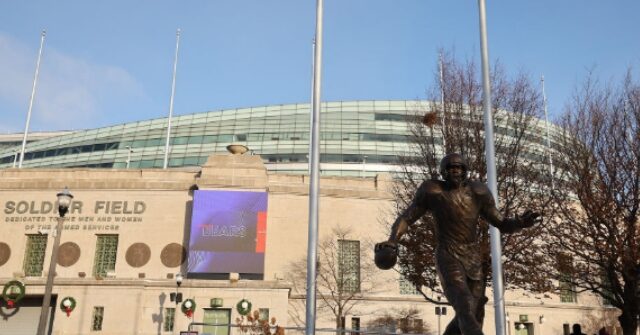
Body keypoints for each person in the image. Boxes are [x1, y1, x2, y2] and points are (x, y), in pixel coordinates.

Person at [375, 153, 540, 335]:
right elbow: (408, 217)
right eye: (451, 168)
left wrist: (519, 224)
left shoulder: (479, 192)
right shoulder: (433, 191)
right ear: (443, 172)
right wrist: (392, 239)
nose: (455, 171)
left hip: (472, 255)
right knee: (463, 302)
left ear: (465, 171)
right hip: (448, 253)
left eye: (459, 167)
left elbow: (500, 222)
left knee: (473, 311)